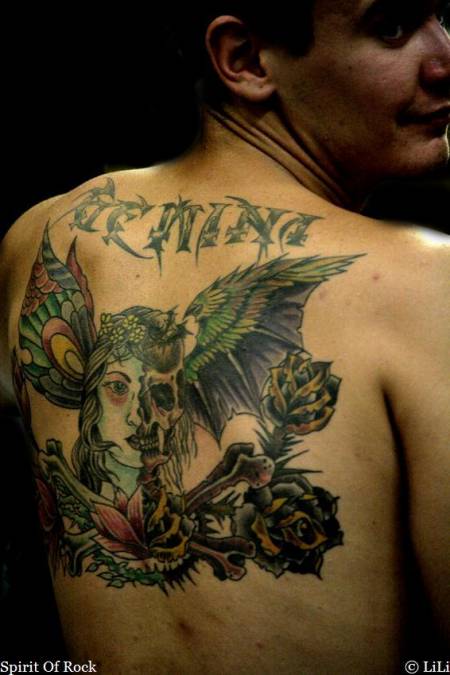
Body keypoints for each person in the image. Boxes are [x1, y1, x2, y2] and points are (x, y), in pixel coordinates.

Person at [0, 2, 449, 672]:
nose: (444, 60)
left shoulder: (48, 236)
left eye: (444, 14)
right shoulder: (423, 283)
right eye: (392, 27)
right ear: (244, 59)